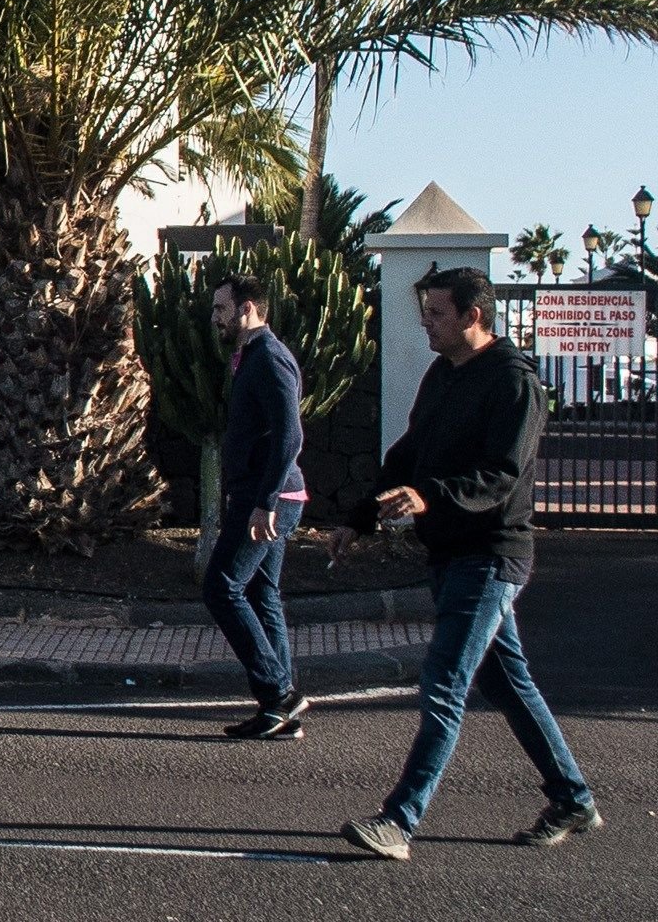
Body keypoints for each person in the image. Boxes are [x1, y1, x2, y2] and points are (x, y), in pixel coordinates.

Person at [332, 265, 597, 860]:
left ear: (472, 316)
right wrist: (358, 517)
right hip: (449, 552)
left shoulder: (513, 383)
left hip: (491, 555)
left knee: (444, 682)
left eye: (437, 315)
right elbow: (408, 452)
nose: (426, 325)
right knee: (509, 682)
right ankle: (573, 797)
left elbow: (501, 476)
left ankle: (399, 821)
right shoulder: (443, 373)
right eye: (426, 314)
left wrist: (432, 496)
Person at [203, 272, 310, 740]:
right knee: (262, 593)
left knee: (222, 587)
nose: (215, 319)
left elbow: (291, 434)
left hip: (268, 499)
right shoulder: (250, 357)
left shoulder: (269, 358)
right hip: (265, 496)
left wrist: (264, 502)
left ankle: (278, 692)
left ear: (247, 309)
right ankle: (279, 710)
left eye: (221, 309)